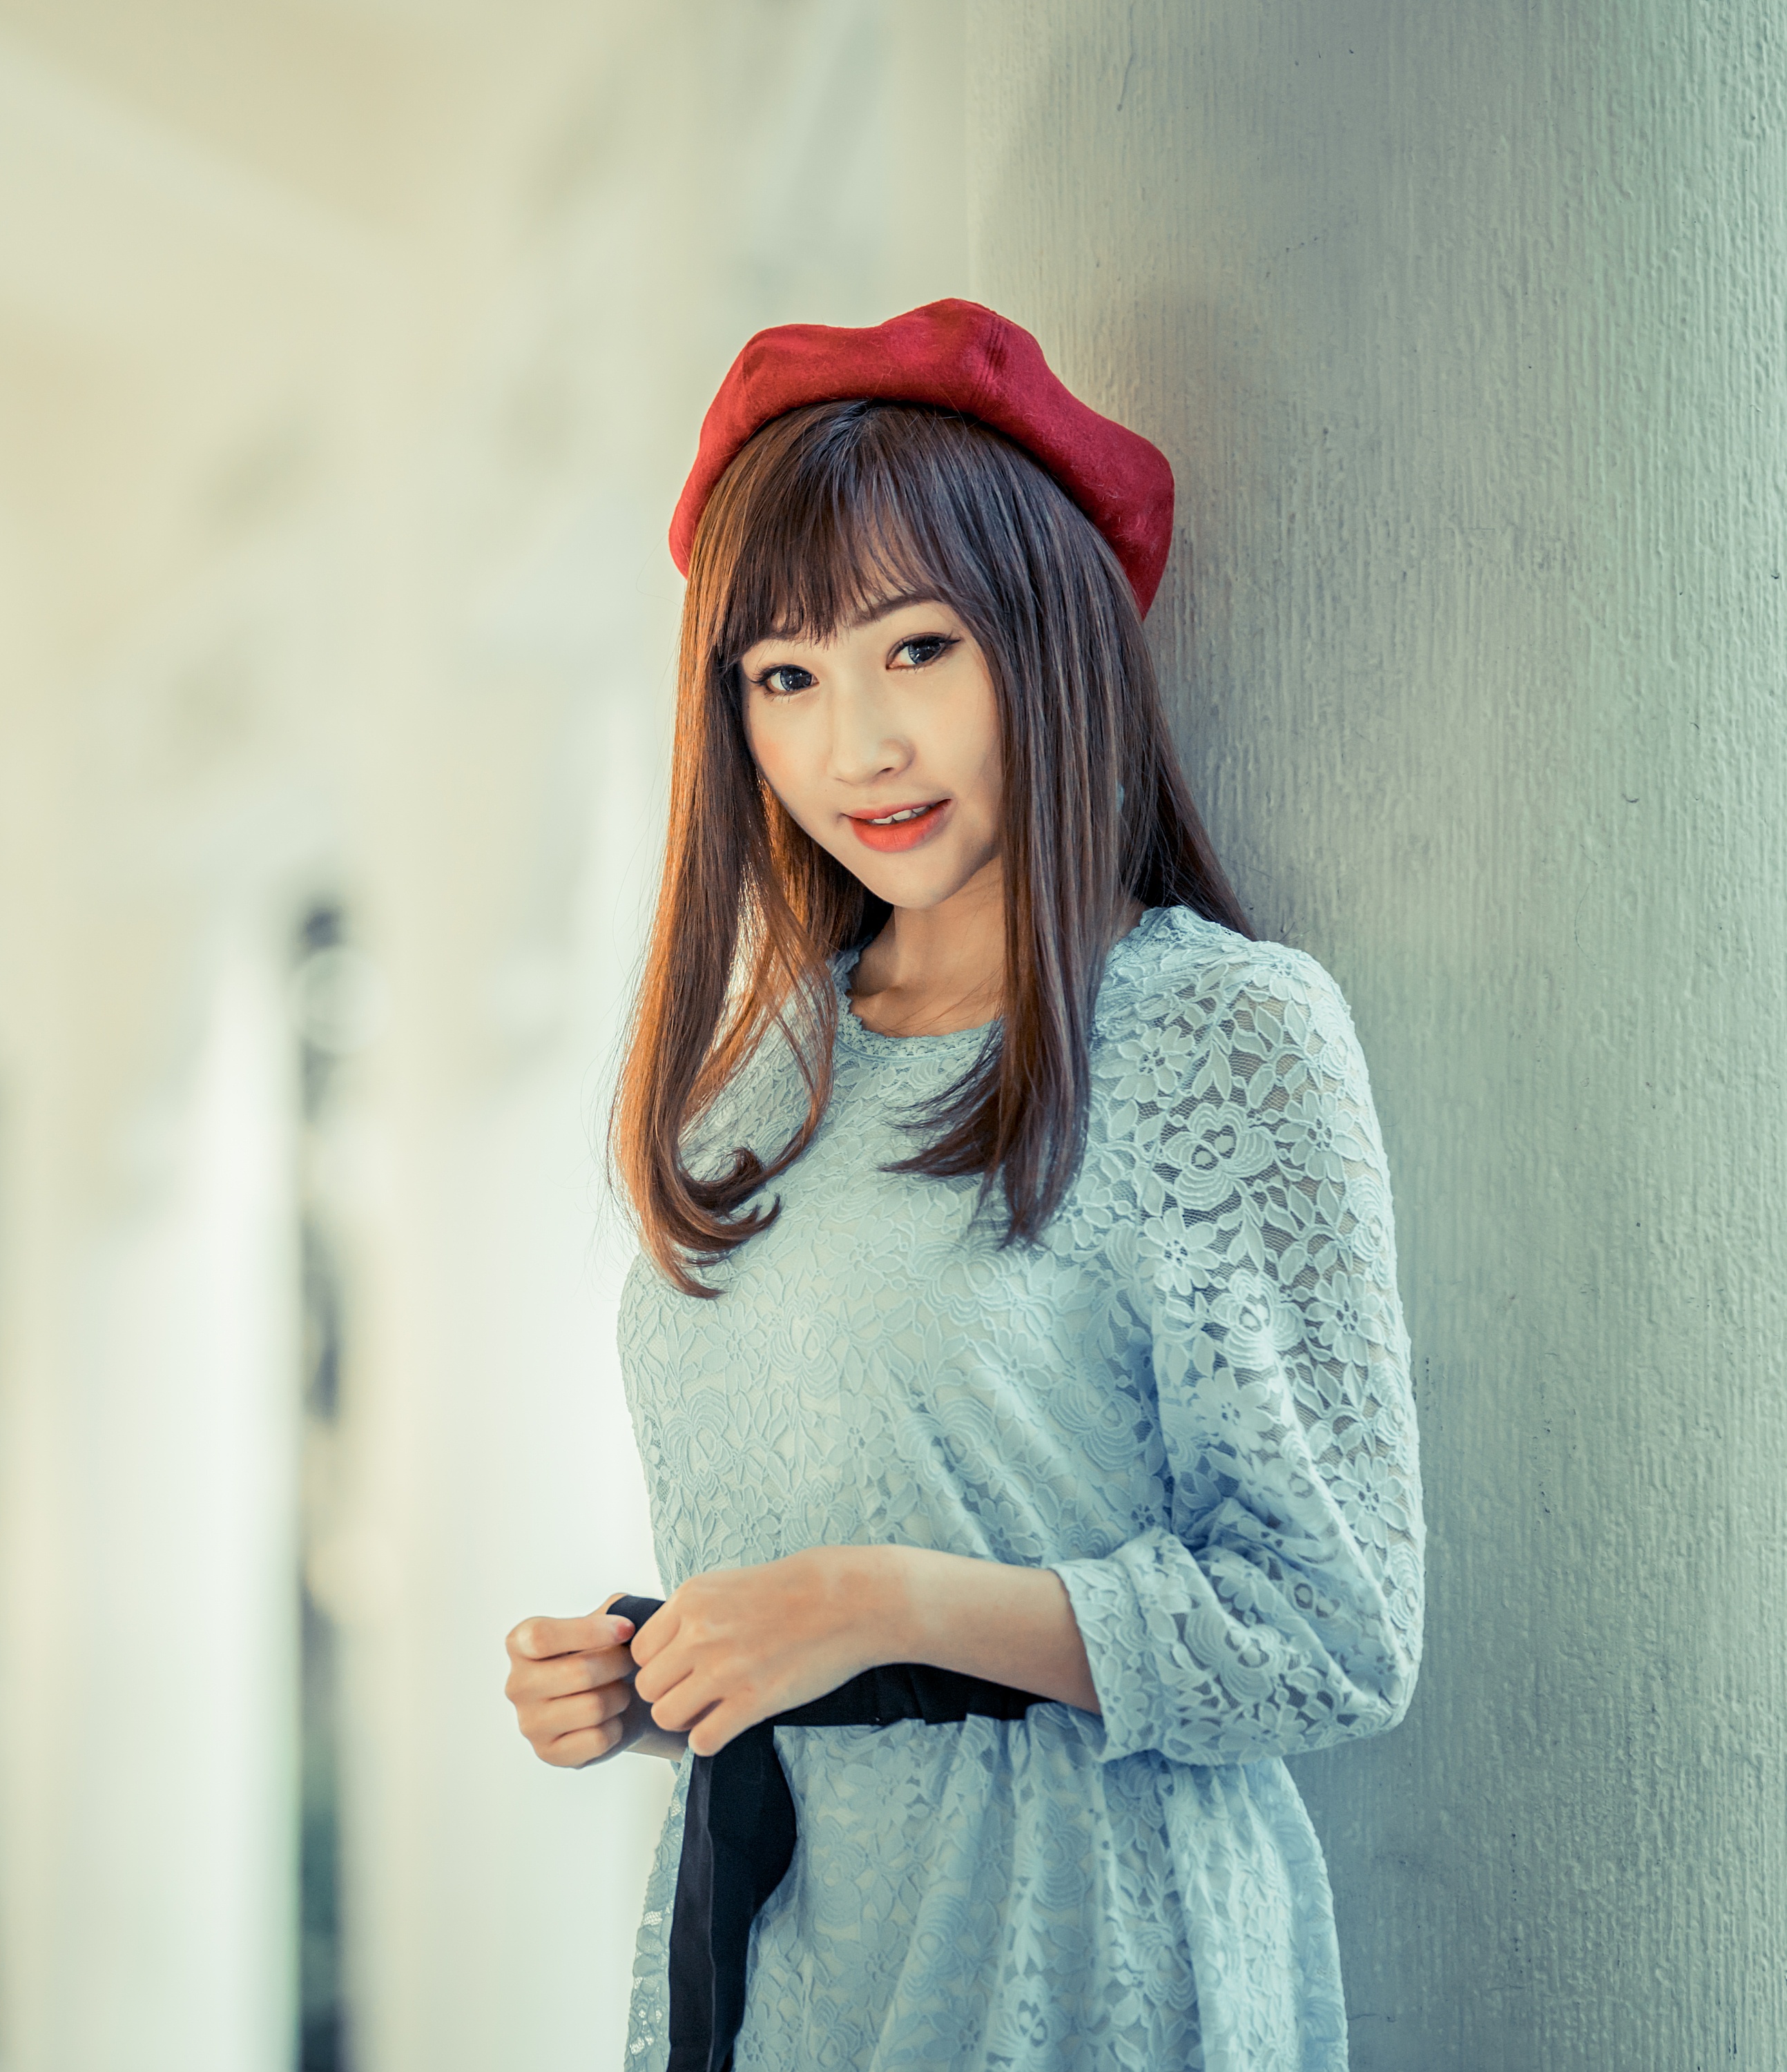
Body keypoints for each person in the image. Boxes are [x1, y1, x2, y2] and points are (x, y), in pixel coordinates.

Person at [499, 301, 1423, 2072]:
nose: (857, 745)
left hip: (1078, 1948)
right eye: (785, 677)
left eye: (915, 648)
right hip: (799, 1961)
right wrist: (660, 1669)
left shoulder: (1216, 1031)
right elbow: (846, 1524)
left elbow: (1332, 1630)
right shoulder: (765, 1074)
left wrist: (880, 1603)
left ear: (1049, 636)